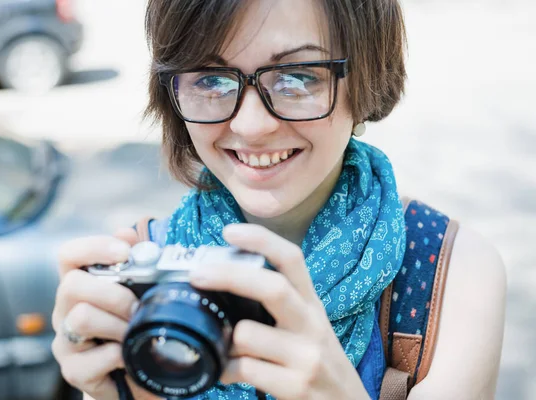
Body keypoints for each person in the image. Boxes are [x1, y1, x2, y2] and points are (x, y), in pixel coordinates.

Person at [51, 0, 507, 399]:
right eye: (210, 80)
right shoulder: (141, 268)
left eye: (296, 77)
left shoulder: (451, 274)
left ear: (366, 78)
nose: (251, 125)